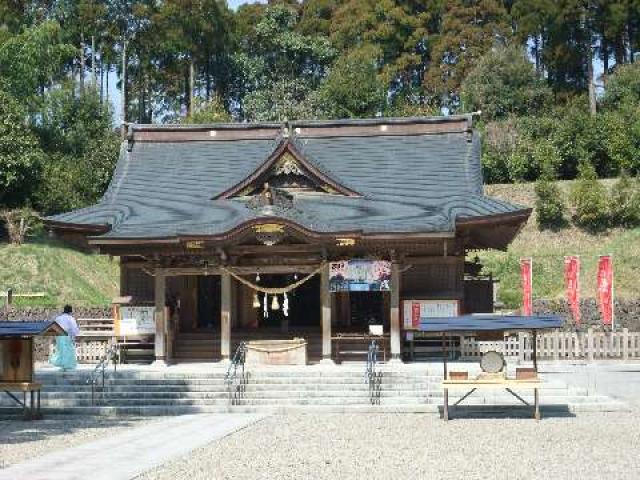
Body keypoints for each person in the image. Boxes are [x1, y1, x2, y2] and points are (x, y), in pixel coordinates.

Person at [49, 305, 80, 370]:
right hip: (66, 336)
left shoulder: (58, 318)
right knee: (68, 351)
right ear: (70, 312)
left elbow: (54, 327)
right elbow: (74, 329)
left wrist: (54, 336)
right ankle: (67, 365)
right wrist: (74, 336)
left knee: (61, 350)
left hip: (59, 336)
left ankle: (61, 364)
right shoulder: (70, 318)